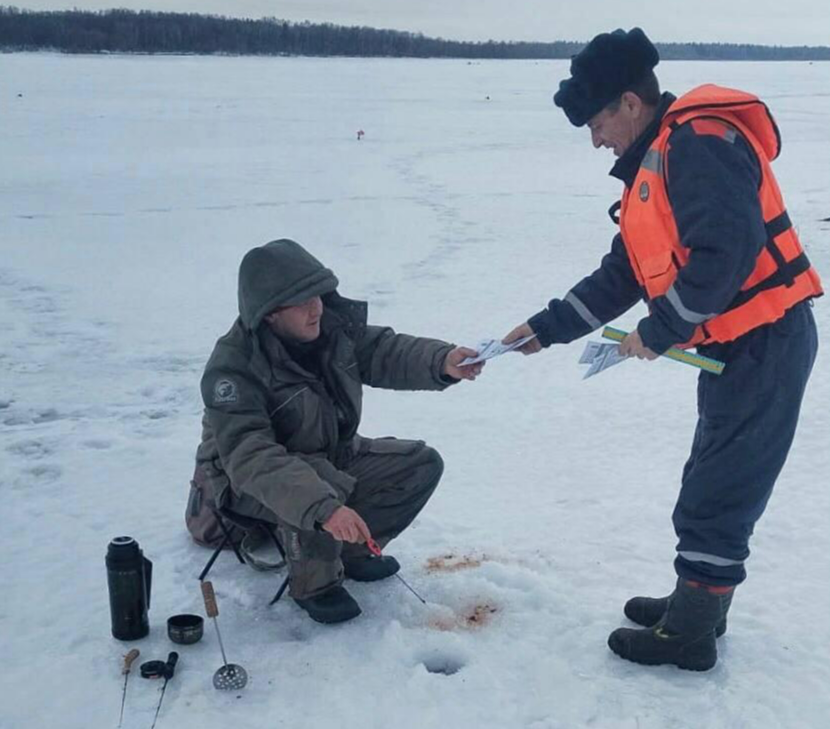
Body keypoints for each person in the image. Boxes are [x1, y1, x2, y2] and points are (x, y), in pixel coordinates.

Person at [503, 28, 822, 670]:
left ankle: (691, 635)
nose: (596, 140)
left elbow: (725, 254)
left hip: (767, 340)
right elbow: (626, 270)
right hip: (739, 345)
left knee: (718, 491)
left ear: (628, 102)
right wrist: (548, 326)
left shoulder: (695, 146)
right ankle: (697, 605)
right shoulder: (658, 161)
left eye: (596, 122)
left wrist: (661, 330)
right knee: (712, 478)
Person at [189, 239, 482, 624]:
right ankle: (315, 585)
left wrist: (442, 361)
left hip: (327, 453)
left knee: (420, 465)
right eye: (302, 301)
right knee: (313, 486)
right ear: (270, 313)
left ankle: (355, 551)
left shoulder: (330, 330)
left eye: (319, 295)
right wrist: (325, 509)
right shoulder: (233, 370)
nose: (317, 309)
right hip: (243, 479)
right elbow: (252, 456)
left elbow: (385, 351)